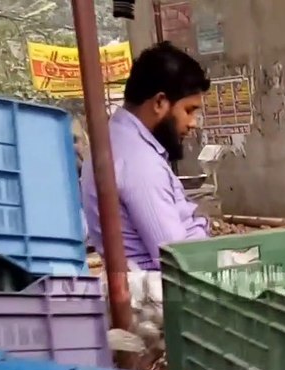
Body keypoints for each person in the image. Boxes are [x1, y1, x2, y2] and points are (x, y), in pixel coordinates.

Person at [80, 42, 211, 270]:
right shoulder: (139, 163)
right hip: (165, 297)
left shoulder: (113, 141)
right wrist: (201, 226)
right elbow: (179, 261)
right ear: (160, 102)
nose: (193, 124)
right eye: (188, 111)